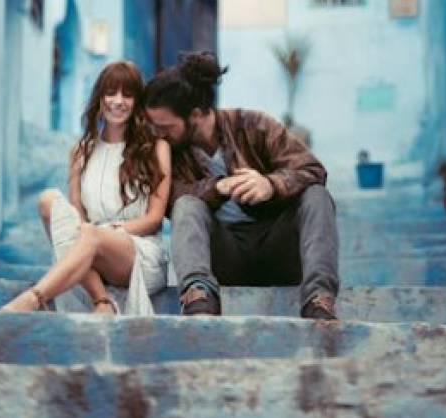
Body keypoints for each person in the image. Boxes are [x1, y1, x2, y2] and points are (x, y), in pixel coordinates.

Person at [143, 51, 339, 320]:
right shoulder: (169, 151)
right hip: (225, 256)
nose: (158, 133)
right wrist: (217, 188)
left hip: (277, 248)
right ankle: (199, 300)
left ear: (196, 115)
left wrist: (271, 185)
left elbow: (313, 170)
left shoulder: (254, 125)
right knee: (186, 205)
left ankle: (319, 301)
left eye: (165, 126)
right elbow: (168, 199)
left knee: (317, 196)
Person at [1, 60, 171, 314]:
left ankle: (33, 299)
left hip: (139, 252)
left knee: (89, 233)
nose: (118, 101)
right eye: (111, 93)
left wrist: (107, 232)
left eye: (127, 94)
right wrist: (92, 234)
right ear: (100, 99)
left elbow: (154, 219)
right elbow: (77, 216)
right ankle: (101, 300)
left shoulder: (156, 148)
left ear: (137, 102)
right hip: (88, 245)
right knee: (48, 200)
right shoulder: (81, 151)